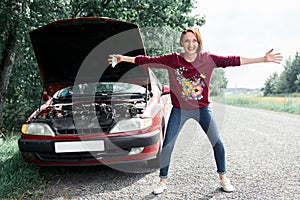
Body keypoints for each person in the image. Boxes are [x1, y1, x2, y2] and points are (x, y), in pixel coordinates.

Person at [108, 28, 282, 194]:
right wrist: (122, 58)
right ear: (182, 43)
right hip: (180, 110)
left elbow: (233, 60)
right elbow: (147, 60)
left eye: (194, 41)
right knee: (168, 145)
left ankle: (223, 178)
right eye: (187, 41)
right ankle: (162, 181)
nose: (191, 44)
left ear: (198, 43)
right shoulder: (173, 59)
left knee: (218, 143)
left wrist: (262, 59)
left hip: (203, 109)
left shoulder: (208, 59)